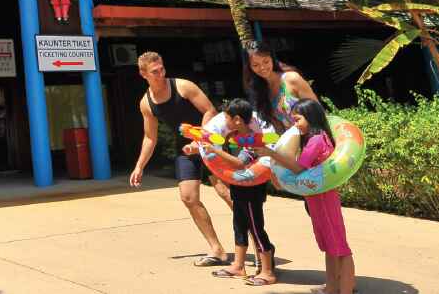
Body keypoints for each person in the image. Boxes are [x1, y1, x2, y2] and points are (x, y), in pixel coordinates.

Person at [129, 51, 231, 267]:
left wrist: (199, 139)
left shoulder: (183, 86)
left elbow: (210, 110)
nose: (160, 74)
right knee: (188, 197)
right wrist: (139, 166)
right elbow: (150, 137)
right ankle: (217, 250)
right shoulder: (146, 103)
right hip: (184, 148)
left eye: (162, 69)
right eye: (155, 72)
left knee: (225, 192)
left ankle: (258, 244)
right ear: (143, 74)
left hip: (210, 141)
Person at [255, 100, 355, 294]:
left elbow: (298, 167)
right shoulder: (313, 138)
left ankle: (345, 290)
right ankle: (332, 287)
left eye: (298, 119)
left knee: (339, 246)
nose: (295, 124)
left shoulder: (317, 139)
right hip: (316, 197)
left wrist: (270, 153)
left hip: (324, 198)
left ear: (311, 117)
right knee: (329, 244)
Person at [195, 99, 277, 286]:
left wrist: (215, 151)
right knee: (239, 225)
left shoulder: (254, 140)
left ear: (238, 119)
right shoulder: (235, 135)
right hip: (239, 187)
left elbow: (240, 163)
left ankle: (268, 271)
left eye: (227, 117)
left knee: (256, 228)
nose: (224, 121)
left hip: (252, 188)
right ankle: (238, 265)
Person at [243, 41, 318, 133]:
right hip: (294, 142)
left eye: (266, 61)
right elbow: (279, 127)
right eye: (255, 65)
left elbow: (318, 110)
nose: (262, 67)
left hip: (314, 137)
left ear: (272, 59)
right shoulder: (260, 92)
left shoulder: (291, 79)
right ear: (250, 67)